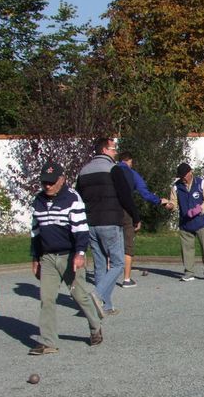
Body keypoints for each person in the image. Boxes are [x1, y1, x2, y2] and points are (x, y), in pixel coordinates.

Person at [28, 161, 104, 355]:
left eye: (52, 182)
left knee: (78, 295)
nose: (48, 186)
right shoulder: (38, 201)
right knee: (46, 299)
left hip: (69, 255)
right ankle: (49, 342)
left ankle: (95, 326)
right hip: (47, 258)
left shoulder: (73, 199)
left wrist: (80, 253)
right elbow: (35, 232)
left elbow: (81, 229)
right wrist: (35, 258)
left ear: (62, 180)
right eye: (45, 182)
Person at [76, 138, 139, 314]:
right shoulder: (114, 169)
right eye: (113, 149)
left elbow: (78, 198)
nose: (115, 152)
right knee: (118, 263)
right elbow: (125, 195)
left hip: (91, 223)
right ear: (104, 150)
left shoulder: (83, 171)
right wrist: (135, 216)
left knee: (100, 265)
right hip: (110, 221)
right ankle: (96, 294)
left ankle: (106, 305)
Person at [117, 152, 173, 288]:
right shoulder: (131, 173)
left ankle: (107, 276)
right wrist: (161, 201)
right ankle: (126, 279)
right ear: (129, 161)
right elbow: (144, 193)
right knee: (128, 243)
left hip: (109, 211)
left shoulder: (110, 170)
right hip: (125, 211)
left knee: (110, 242)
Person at [169, 162, 204, 282]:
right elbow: (174, 203)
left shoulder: (200, 183)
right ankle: (189, 272)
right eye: (181, 176)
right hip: (185, 223)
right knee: (187, 249)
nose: (183, 178)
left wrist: (199, 209)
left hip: (200, 222)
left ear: (190, 172)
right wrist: (170, 206)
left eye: (184, 175)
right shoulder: (176, 187)